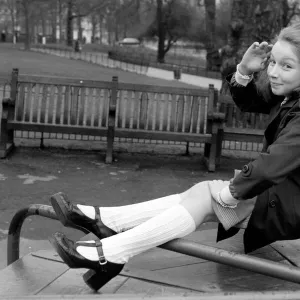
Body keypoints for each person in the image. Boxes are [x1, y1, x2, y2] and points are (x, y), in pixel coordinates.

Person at [49, 21, 300, 289]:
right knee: (203, 192)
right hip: (281, 193)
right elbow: (253, 101)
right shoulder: (291, 95)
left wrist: (232, 192)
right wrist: (243, 71)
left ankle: (110, 248)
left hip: (290, 206)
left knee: (210, 196)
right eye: (272, 62)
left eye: (287, 66)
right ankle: (109, 226)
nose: (273, 72)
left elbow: (272, 165)